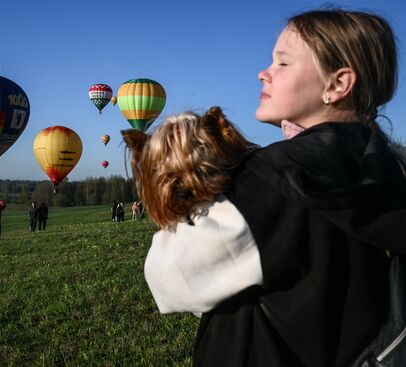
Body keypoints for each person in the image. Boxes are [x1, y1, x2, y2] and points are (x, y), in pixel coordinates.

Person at [132, 8, 406, 367]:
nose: (263, 73)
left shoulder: (276, 177)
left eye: (283, 63)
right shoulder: (388, 166)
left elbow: (168, 278)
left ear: (337, 85)